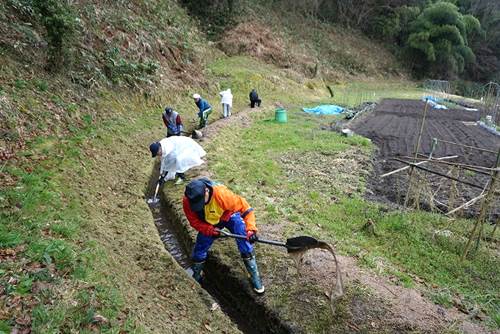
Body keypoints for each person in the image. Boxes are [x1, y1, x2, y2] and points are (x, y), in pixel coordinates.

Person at [183, 178, 265, 294]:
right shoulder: (188, 201)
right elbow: (194, 221)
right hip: (208, 223)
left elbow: (246, 209)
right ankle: (197, 275)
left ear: (207, 191)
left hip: (228, 216)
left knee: (243, 240)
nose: (198, 206)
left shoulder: (222, 195)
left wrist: (251, 229)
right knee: (200, 249)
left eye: (201, 202)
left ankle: (254, 275)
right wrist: (209, 230)